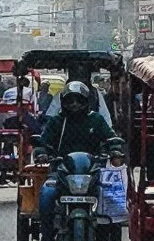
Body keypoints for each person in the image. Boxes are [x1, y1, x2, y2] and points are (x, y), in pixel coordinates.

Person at [37, 80, 118, 230]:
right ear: (63, 102)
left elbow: (111, 138)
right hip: (61, 171)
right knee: (46, 196)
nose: (74, 104)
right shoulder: (57, 121)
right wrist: (42, 153)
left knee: (111, 196)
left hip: (93, 171)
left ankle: (106, 237)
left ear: (86, 101)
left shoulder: (96, 120)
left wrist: (115, 149)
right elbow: (43, 142)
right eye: (70, 100)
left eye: (78, 100)